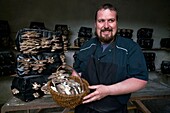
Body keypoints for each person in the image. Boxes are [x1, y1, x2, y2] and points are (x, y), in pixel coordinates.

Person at [73, 3, 148, 113]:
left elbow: (140, 80)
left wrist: (108, 90)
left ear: (117, 23)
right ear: (95, 24)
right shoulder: (86, 46)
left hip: (114, 110)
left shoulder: (130, 48)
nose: (106, 25)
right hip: (84, 108)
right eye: (101, 21)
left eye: (111, 20)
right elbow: (77, 72)